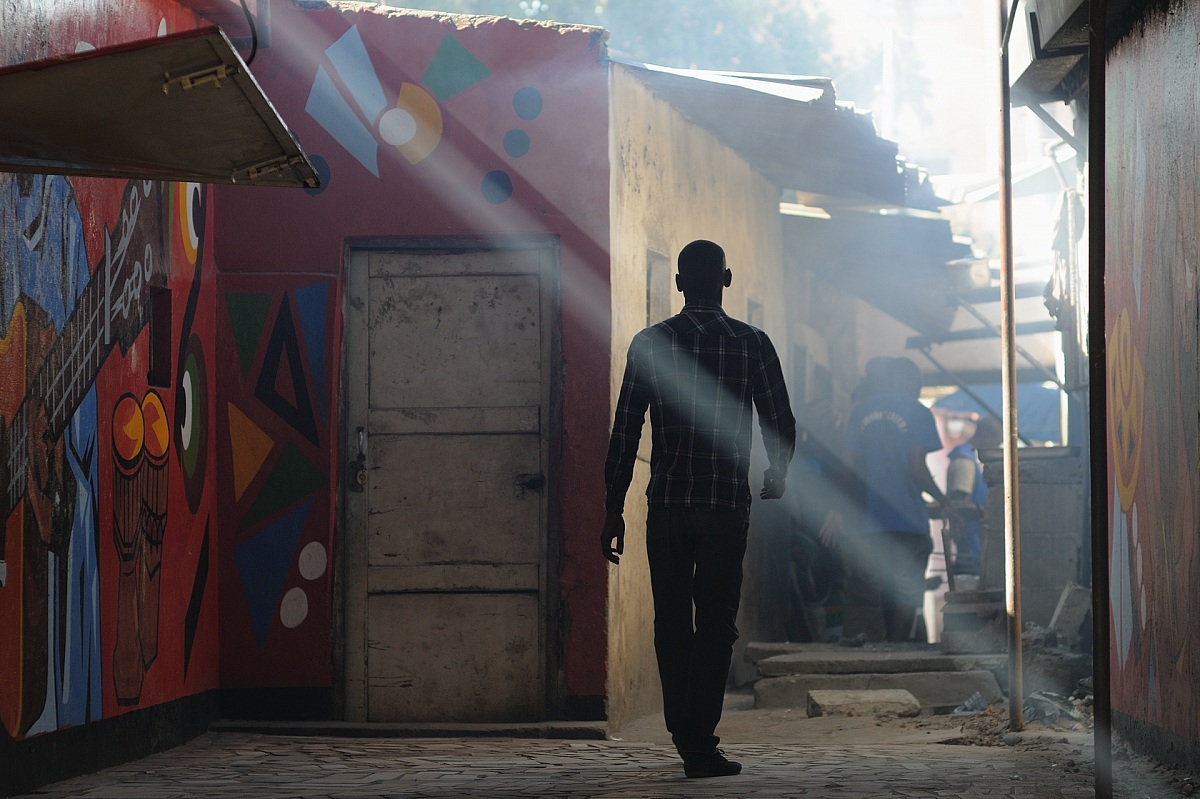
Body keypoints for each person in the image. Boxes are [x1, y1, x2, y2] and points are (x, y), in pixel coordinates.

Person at [601, 239, 796, 779]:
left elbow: (625, 432)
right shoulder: (753, 344)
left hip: (665, 506)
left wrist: (612, 507)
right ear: (727, 280)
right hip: (725, 506)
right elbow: (778, 418)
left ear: (680, 283)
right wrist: (777, 472)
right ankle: (697, 739)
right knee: (716, 624)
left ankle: (683, 731)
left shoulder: (650, 343)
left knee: (671, 621)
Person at [841, 357, 950, 642]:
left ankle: (871, 655)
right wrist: (944, 500)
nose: (918, 390)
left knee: (869, 594)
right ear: (908, 380)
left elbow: (847, 465)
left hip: (867, 522)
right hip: (908, 521)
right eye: (918, 384)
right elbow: (916, 467)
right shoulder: (917, 412)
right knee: (906, 594)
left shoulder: (860, 411)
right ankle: (896, 650)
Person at [945, 415, 1002, 582]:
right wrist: (988, 511)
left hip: (977, 540)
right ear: (986, 436)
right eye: (996, 443)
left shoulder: (974, 460)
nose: (996, 448)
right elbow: (958, 505)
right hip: (969, 541)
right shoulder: (964, 461)